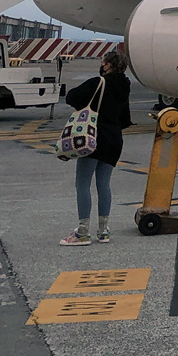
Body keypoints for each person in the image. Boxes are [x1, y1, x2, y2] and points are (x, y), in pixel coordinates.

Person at [59, 52, 133, 246]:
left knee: (82, 183)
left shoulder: (98, 83)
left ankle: (83, 232)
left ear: (107, 65)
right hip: (114, 140)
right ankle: (103, 230)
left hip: (92, 137)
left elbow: (72, 97)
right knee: (104, 184)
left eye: (103, 62)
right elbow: (125, 119)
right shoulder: (125, 87)